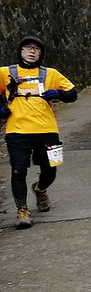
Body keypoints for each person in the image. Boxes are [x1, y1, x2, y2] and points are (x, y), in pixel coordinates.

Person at [1, 35, 78, 229]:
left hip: (47, 130)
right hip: (17, 130)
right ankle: (22, 211)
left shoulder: (50, 73)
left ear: (41, 53)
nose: (32, 51)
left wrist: (59, 93)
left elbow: (73, 93)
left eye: (37, 48)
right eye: (27, 47)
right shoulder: (5, 72)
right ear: (20, 51)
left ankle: (40, 189)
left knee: (50, 170)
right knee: (19, 170)